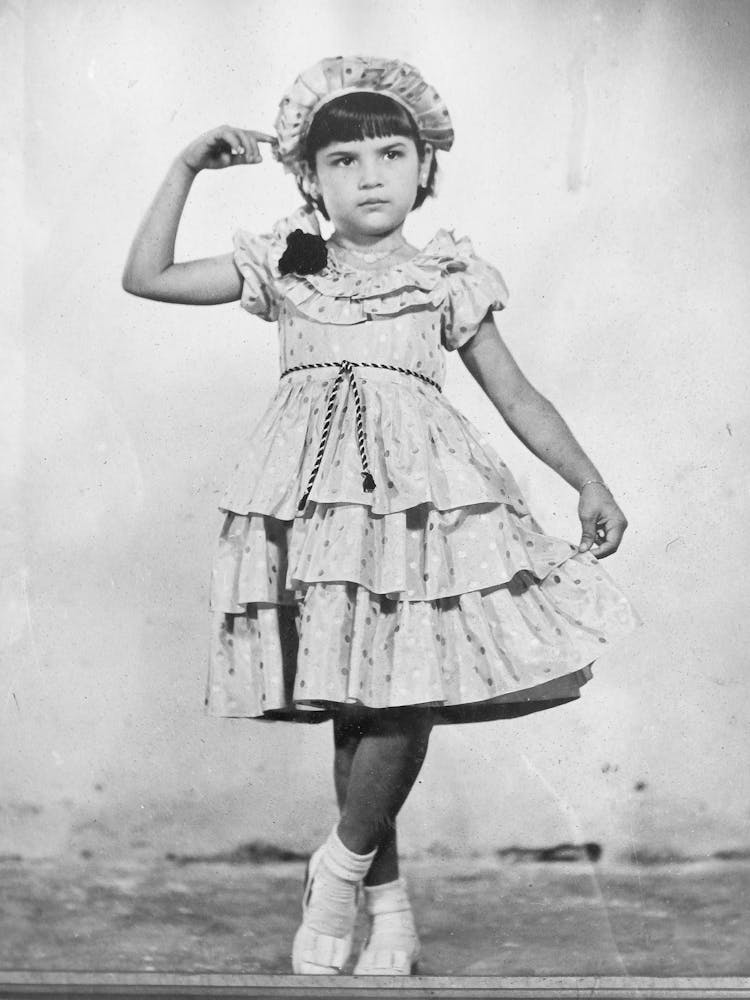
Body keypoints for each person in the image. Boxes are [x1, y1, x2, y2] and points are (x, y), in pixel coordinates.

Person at [122, 55, 640, 977]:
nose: (370, 175)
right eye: (345, 160)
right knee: (354, 706)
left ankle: (340, 870)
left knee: (407, 691)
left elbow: (518, 398)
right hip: (314, 505)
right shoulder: (285, 266)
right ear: (311, 180)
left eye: (391, 154)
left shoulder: (447, 276)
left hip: (418, 507)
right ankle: (390, 913)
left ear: (424, 169)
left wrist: (589, 482)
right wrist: (186, 166)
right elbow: (147, 276)